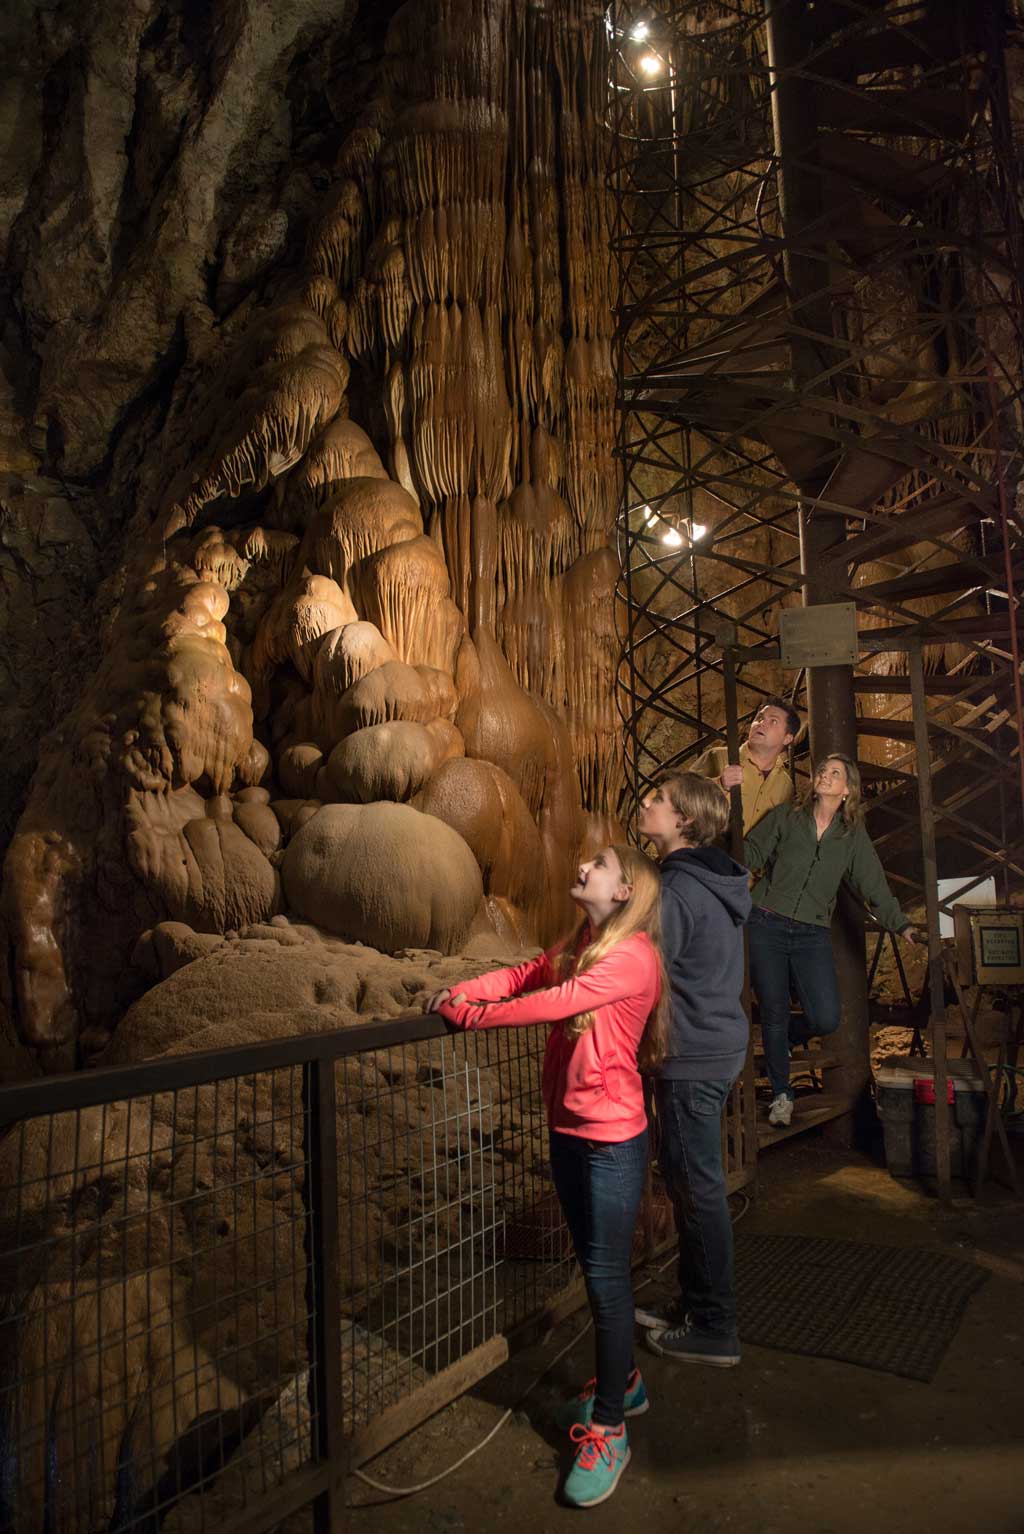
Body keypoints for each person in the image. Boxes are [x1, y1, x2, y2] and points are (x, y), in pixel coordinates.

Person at [424, 844, 667, 1509]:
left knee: (607, 1279)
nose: (584, 867)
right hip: (568, 1133)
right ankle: (628, 1382)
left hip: (611, 1143)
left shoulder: (632, 956)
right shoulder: (584, 938)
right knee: (595, 1269)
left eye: (600, 865)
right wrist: (469, 989)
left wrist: (472, 1018)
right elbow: (532, 972)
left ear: (624, 893)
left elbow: (557, 1001)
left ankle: (611, 1429)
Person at [634, 772, 751, 1367]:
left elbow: (647, 970)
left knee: (696, 1190)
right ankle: (696, 1303)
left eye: (658, 801)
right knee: (690, 1186)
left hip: (692, 1053)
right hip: (713, 1043)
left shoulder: (679, 890)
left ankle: (713, 1325)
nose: (646, 803)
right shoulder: (709, 880)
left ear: (683, 822)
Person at [743, 752, 920, 1129]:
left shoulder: (851, 837)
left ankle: (782, 1042)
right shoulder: (786, 818)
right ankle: (781, 1094)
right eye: (822, 770)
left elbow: (875, 887)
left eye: (835, 773)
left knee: (825, 1016)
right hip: (766, 923)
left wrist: (902, 926)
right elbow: (750, 852)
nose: (824, 775)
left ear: (847, 790)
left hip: (811, 932)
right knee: (772, 1010)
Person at [692, 696, 800, 834]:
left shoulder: (786, 785)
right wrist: (720, 783)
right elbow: (678, 800)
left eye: (773, 721)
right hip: (704, 853)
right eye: (759, 718)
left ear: (787, 738)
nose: (761, 723)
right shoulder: (718, 757)